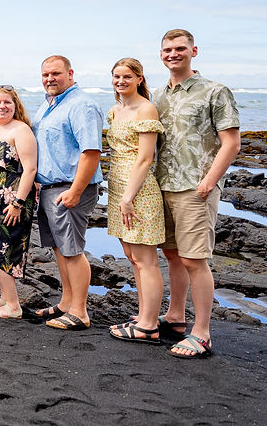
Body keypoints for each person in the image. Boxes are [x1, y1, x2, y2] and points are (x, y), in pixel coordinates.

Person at [154, 29, 240, 359]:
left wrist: (209, 182)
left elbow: (231, 143)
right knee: (173, 255)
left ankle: (202, 332)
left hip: (196, 188)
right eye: (167, 49)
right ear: (161, 54)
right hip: (164, 185)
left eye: (179, 48)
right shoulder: (159, 95)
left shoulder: (214, 91)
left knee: (194, 258)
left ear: (194, 51)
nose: (173, 54)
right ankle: (176, 317)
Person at [31, 55, 104, 330]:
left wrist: (75, 191)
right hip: (49, 188)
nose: (50, 79)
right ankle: (66, 303)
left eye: (56, 73)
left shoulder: (82, 104)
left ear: (70, 73)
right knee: (59, 250)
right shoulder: (48, 105)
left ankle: (80, 312)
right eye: (45, 74)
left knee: (72, 250)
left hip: (70, 188)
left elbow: (91, 152)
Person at [104, 58, 165, 344]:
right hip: (117, 187)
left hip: (137, 190)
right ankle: (142, 316)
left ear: (139, 78)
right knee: (132, 258)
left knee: (145, 260)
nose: (121, 81)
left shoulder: (146, 108)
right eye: (117, 76)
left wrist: (128, 197)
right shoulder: (115, 111)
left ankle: (149, 325)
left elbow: (145, 158)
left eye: (127, 76)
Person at [0, 85, 37, 319]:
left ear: (15, 105)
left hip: (11, 197)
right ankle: (5, 296)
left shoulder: (21, 130)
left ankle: (13, 306)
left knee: (4, 247)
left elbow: (30, 169)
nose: (2, 106)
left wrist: (18, 202)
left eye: (7, 103)